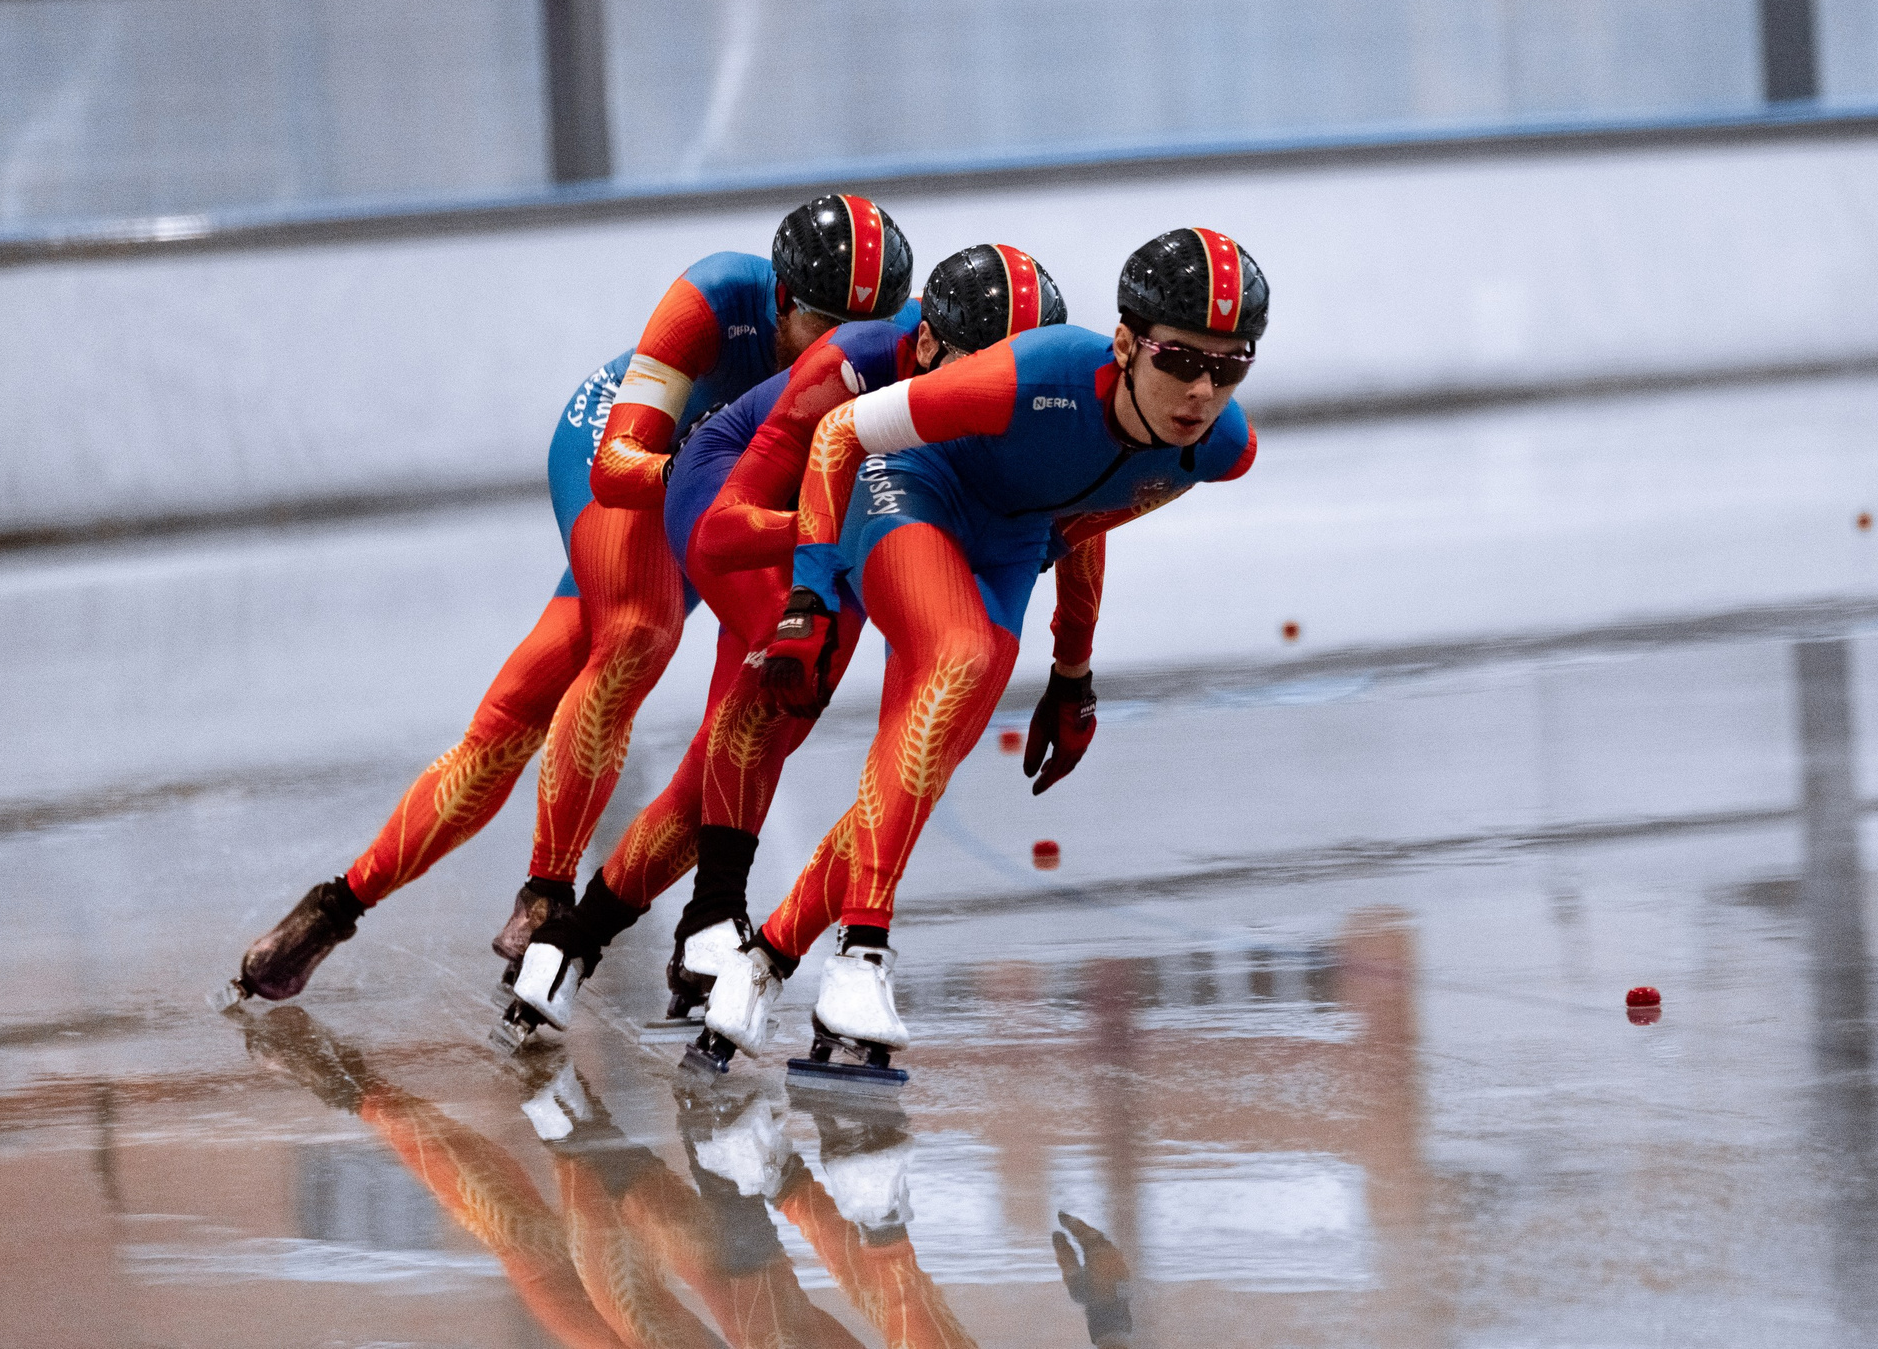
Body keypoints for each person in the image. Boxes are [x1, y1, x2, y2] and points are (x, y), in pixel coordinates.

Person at [221, 195, 915, 1008]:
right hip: (628, 460)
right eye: (827, 330)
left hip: (718, 500)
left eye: (867, 330)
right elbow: (617, 466)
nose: (848, 353)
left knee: (529, 724)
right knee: (641, 632)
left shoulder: (877, 354)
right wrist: (704, 476)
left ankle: (337, 902)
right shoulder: (716, 295)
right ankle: (546, 891)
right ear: (784, 303)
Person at [700, 228, 1269, 1075]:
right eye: (1181, 358)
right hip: (909, 488)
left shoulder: (1218, 451)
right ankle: (861, 956)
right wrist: (812, 593)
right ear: (1123, 343)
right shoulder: (1033, 375)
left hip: (1006, 545)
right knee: (958, 653)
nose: (1201, 389)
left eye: (1230, 367)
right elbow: (842, 435)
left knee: (916, 773)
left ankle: (764, 962)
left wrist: (1072, 673)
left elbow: (1082, 528)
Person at [506, 246, 1070, 1044]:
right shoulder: (854, 361)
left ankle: (568, 946)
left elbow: (1078, 500)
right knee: (773, 698)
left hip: (851, 507)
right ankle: (713, 912)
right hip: (734, 494)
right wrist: (808, 591)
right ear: (931, 347)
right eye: (978, 377)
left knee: (716, 776)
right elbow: (752, 498)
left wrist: (1071, 666)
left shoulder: (1029, 391)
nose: (990, 403)